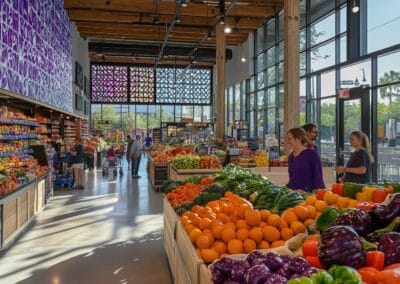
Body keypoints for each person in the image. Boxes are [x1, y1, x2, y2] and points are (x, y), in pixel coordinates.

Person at [286, 127, 325, 192]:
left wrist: (316, 194)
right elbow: (293, 178)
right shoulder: (291, 157)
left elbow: (318, 177)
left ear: (298, 139)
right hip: (294, 195)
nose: (287, 141)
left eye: (289, 139)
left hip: (309, 196)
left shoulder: (311, 154)